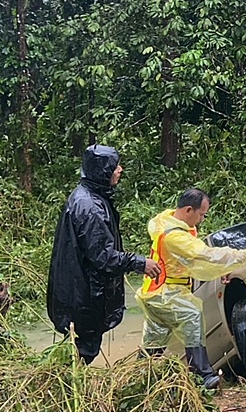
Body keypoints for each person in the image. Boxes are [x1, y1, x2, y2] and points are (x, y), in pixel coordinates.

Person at [135, 188, 246, 388]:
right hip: (165, 293)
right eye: (201, 215)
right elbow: (206, 255)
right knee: (192, 315)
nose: (202, 220)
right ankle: (202, 375)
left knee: (154, 341)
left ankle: (138, 378)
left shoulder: (166, 220)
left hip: (154, 291)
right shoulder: (175, 237)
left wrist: (221, 270)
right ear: (188, 210)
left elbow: (190, 263)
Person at [46, 144, 161, 364]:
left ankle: (66, 380)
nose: (120, 170)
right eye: (115, 166)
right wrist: (139, 263)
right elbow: (104, 257)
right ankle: (65, 384)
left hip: (76, 291)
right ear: (102, 171)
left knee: (78, 350)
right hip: (84, 295)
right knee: (83, 352)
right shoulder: (91, 208)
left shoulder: (86, 197)